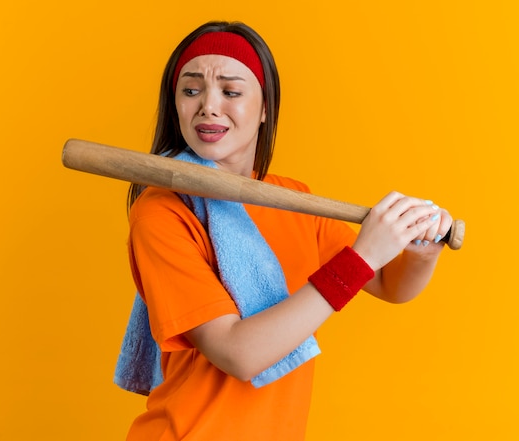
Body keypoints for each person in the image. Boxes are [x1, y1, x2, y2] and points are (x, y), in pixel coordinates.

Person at [117, 20, 453, 440]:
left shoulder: (293, 199)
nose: (208, 105)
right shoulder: (163, 213)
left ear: (264, 108)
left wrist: (420, 248)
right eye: (191, 90)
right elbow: (238, 353)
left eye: (231, 91)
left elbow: (388, 282)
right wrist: (362, 257)